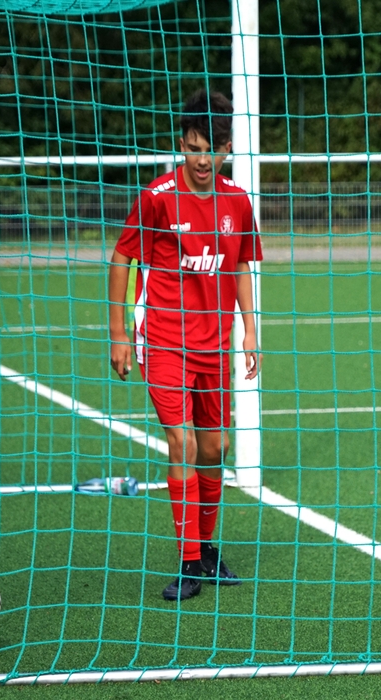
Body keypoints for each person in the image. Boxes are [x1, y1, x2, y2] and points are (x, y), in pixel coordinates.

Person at [108, 89, 262, 601]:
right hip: (164, 341)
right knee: (184, 443)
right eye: (193, 148)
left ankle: (207, 549)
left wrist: (250, 329)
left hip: (213, 345)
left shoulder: (237, 201)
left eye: (211, 150)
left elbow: (241, 264)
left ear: (226, 149)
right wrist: (118, 334)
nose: (201, 160)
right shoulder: (157, 197)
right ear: (182, 144)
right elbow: (122, 258)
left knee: (216, 449)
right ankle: (189, 560)